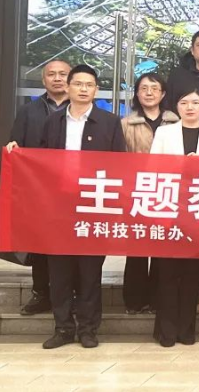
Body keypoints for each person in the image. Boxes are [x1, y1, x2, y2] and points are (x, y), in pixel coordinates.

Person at [12, 65, 126, 349]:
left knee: (89, 272)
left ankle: (88, 329)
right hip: (58, 207)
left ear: (96, 90)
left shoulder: (110, 122)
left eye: (89, 85)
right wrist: (18, 153)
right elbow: (39, 159)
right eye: (78, 84)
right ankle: (63, 328)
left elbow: (120, 163)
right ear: (69, 87)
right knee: (59, 272)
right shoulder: (53, 121)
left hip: (93, 205)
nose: (83, 89)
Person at [150, 89, 199, 347]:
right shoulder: (164, 133)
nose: (190, 107)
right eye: (184, 102)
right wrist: (180, 166)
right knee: (167, 273)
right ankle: (166, 331)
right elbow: (153, 168)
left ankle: (186, 330)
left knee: (192, 274)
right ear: (177, 106)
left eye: (195, 102)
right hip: (169, 207)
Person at [7, 59, 71, 316]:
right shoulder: (28, 111)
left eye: (63, 74)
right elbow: (16, 144)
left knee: (71, 244)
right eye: (51, 74)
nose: (57, 78)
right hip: (39, 190)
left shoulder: (83, 110)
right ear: (43, 80)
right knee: (40, 242)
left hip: (73, 191)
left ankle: (71, 294)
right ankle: (41, 293)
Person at [120, 73, 179, 315]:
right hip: (137, 191)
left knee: (162, 248)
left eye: (154, 88)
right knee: (136, 248)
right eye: (144, 88)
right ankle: (134, 300)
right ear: (137, 93)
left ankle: (157, 299)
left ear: (163, 94)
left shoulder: (176, 121)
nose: (149, 93)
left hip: (168, 191)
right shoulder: (126, 124)